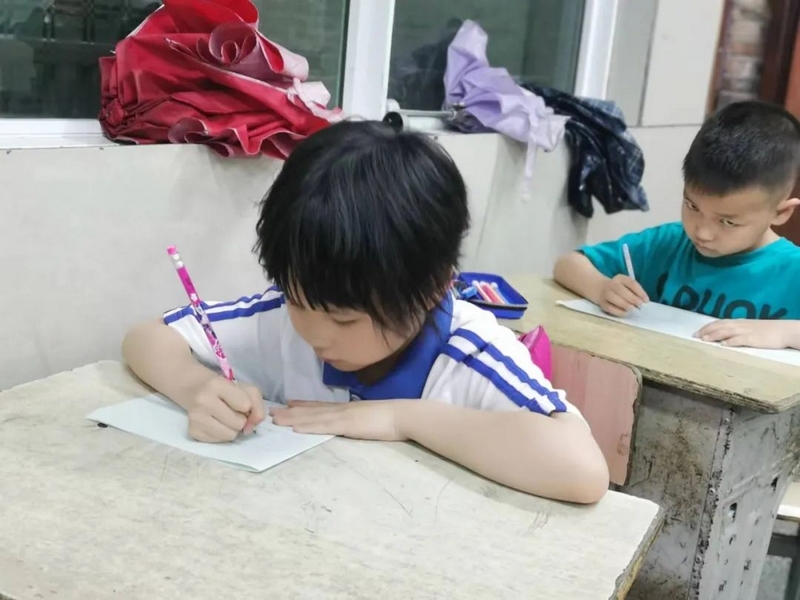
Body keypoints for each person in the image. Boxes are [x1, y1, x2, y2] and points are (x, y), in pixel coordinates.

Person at [123, 120, 609, 503]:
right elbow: (147, 338)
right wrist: (196, 389)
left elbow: (583, 470)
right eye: (297, 300)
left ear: (432, 289)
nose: (315, 334)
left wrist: (402, 419)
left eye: (344, 319)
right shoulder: (282, 322)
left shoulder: (469, 354)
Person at [554, 101, 800, 350]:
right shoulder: (667, 244)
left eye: (728, 221)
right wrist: (601, 288)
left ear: (781, 213)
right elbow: (568, 264)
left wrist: (784, 333)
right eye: (692, 206)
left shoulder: (792, 270)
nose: (702, 232)